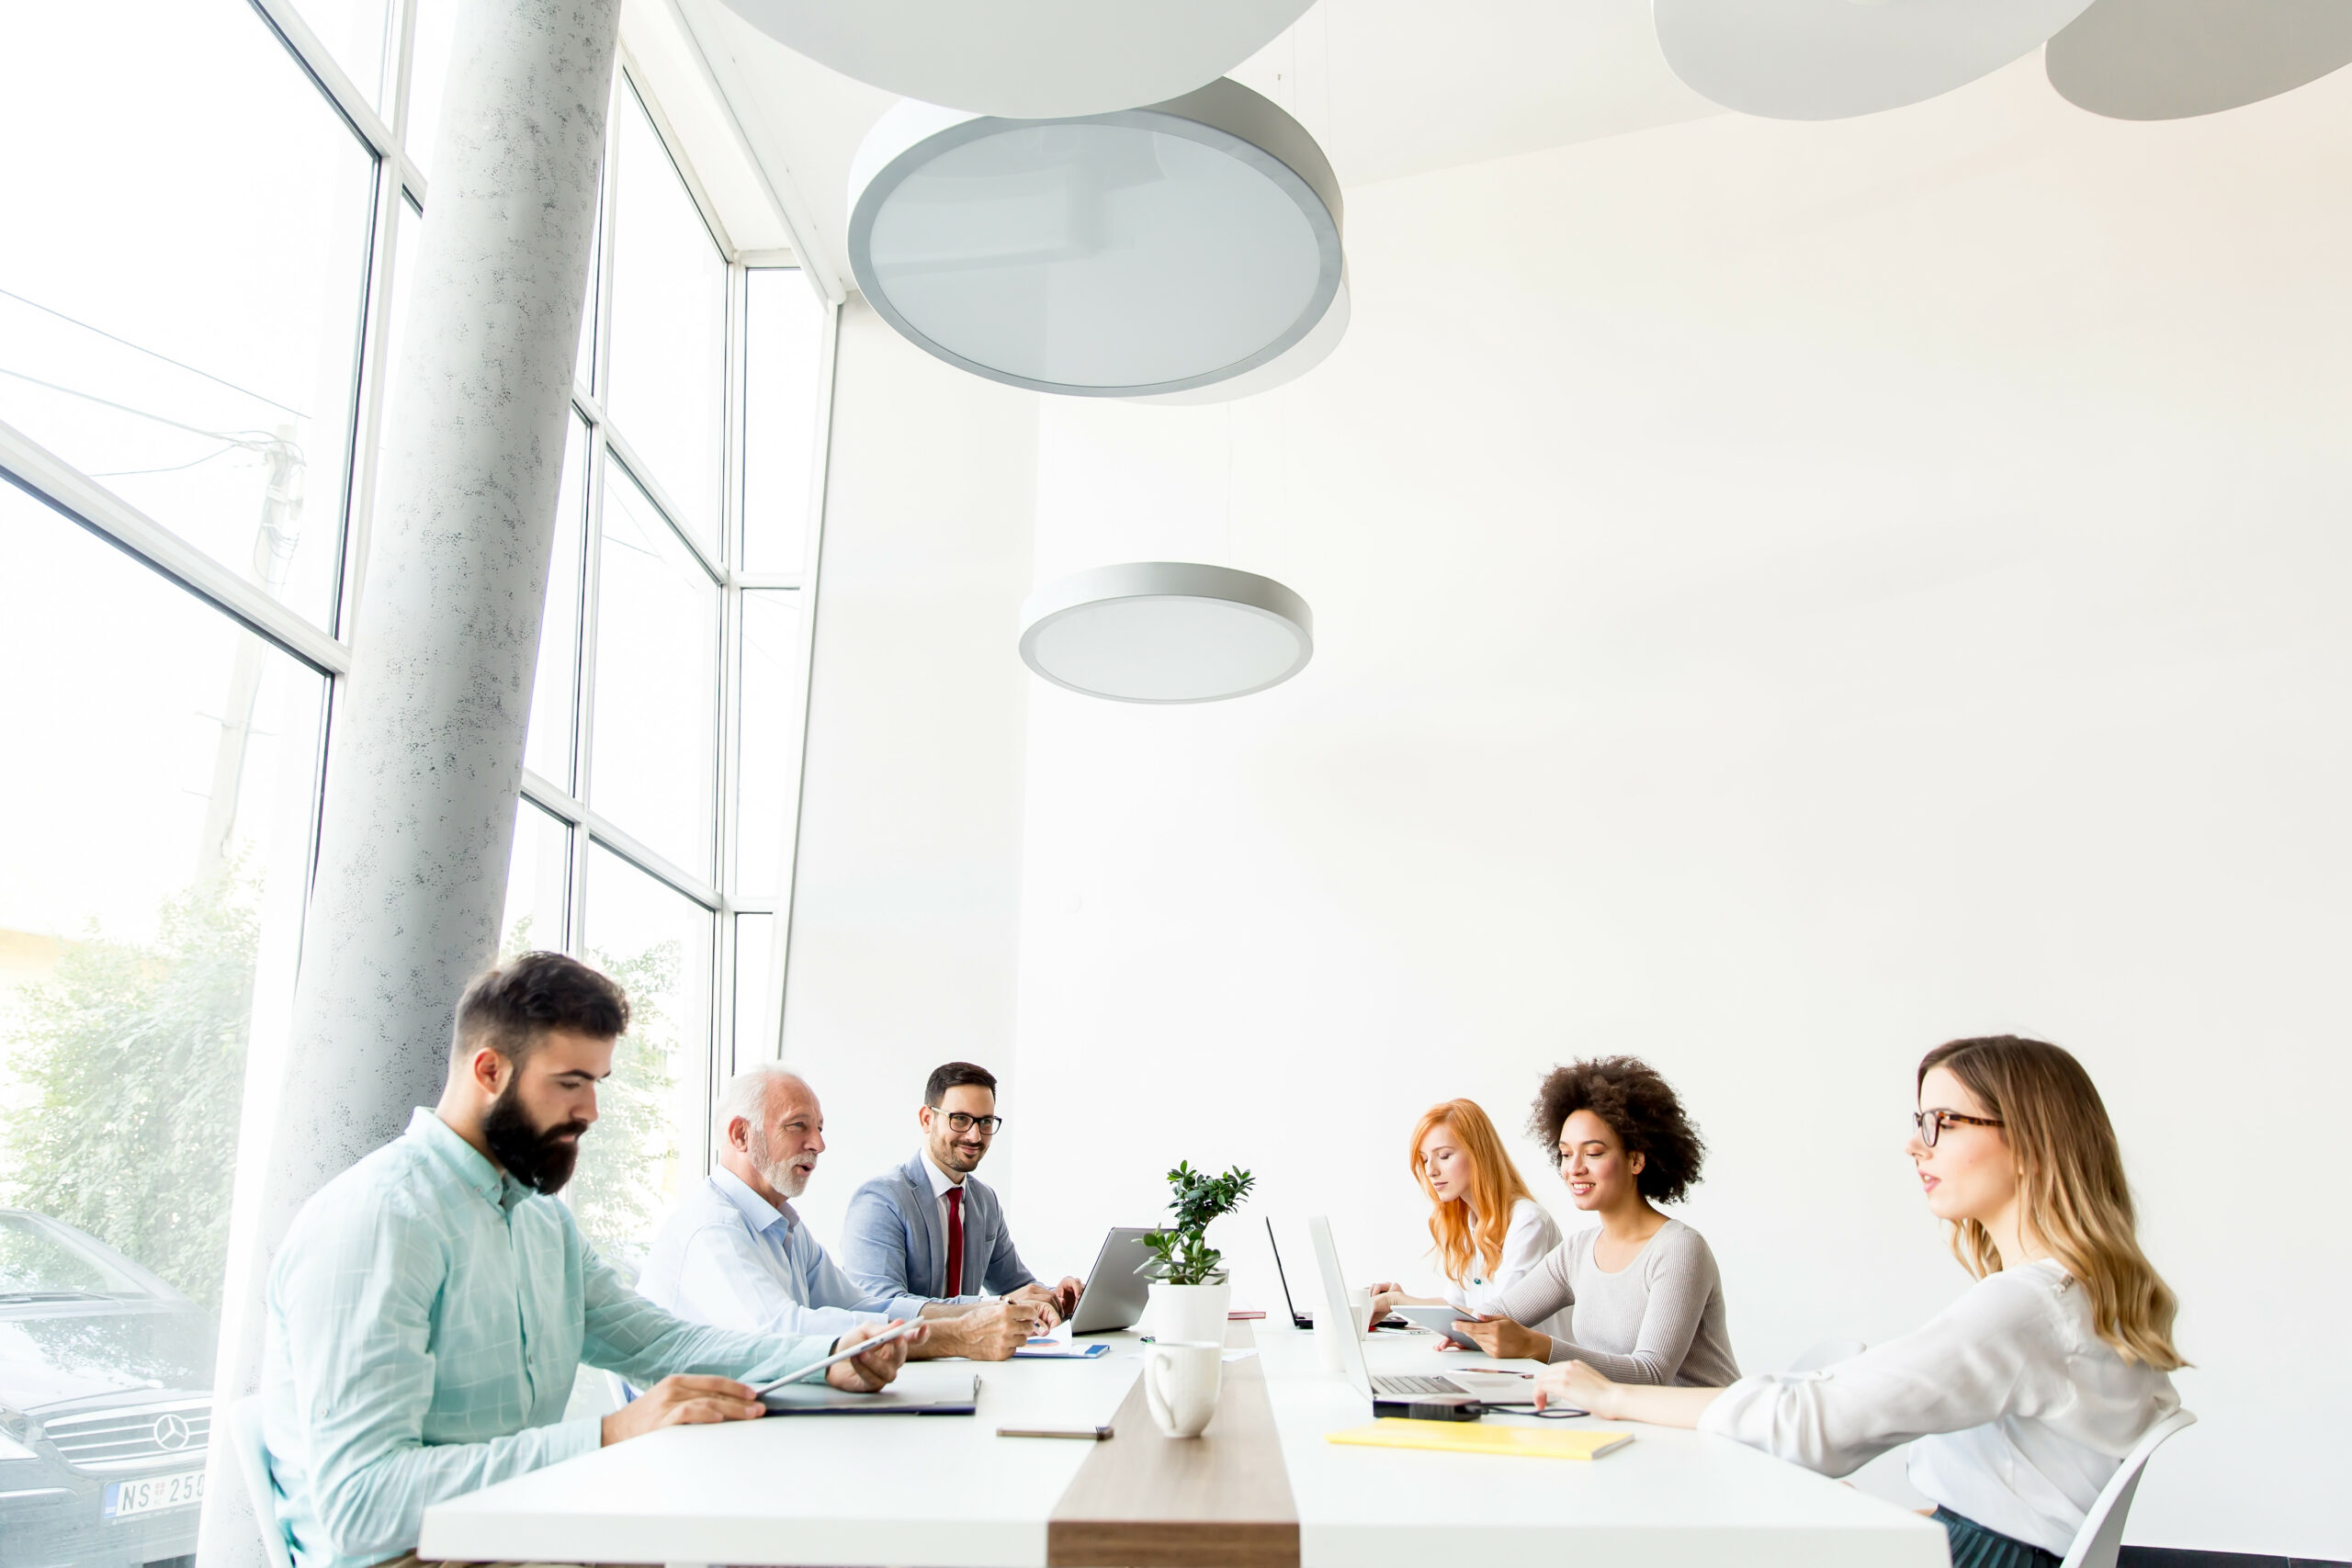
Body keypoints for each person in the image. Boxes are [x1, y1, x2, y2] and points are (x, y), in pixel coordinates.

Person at [261, 953, 919, 1568]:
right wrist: (611, 1434)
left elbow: (662, 1340)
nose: (591, 1111)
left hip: (519, 1531)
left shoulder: (540, 1217)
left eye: (597, 1082)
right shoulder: (379, 1220)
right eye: (570, 1083)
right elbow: (362, 1505)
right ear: (489, 1071)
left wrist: (829, 1358)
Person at [1541, 1036, 2185, 1568]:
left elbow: (1813, 1424)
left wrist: (1613, 1395)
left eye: (1942, 1122)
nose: (1916, 1143)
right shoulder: (2074, 1294)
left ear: (2032, 1142)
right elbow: (1837, 1402)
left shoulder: (2030, 1307)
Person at [640, 1065, 1041, 1359]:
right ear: (741, 1135)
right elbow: (783, 1333)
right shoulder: (714, 1228)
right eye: (798, 1126)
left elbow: (865, 1306)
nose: (818, 1143)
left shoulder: (784, 1228)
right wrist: (954, 1336)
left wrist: (982, 1313)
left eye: (819, 1127)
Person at [1453, 1056, 1739, 1387]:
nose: (1574, 1168)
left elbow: (1651, 1373)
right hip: (1624, 1420)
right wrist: (1460, 1328)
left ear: (1636, 1159)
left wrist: (1538, 1346)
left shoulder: (1679, 1249)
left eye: (1593, 1153)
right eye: (1565, 1153)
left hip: (1703, 1426)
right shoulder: (1578, 1250)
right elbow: (1500, 1310)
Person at [840, 1062, 1083, 1324]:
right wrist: (994, 1306)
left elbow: (1014, 1287)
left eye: (985, 1121)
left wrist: (1053, 1297)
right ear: (926, 1119)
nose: (974, 1135)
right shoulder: (880, 1200)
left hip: (966, 1362)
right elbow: (881, 1306)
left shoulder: (985, 1202)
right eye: (960, 1119)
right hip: (905, 1362)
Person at [1365, 1098, 1571, 1341]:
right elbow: (1456, 1307)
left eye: (1444, 1156)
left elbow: (1499, 1319)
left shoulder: (1528, 1221)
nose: (1431, 1170)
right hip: (1500, 1367)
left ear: (1479, 1154)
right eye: (1424, 1159)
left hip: (1540, 1371)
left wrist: (1402, 1302)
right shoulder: (1467, 1224)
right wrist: (1398, 1303)